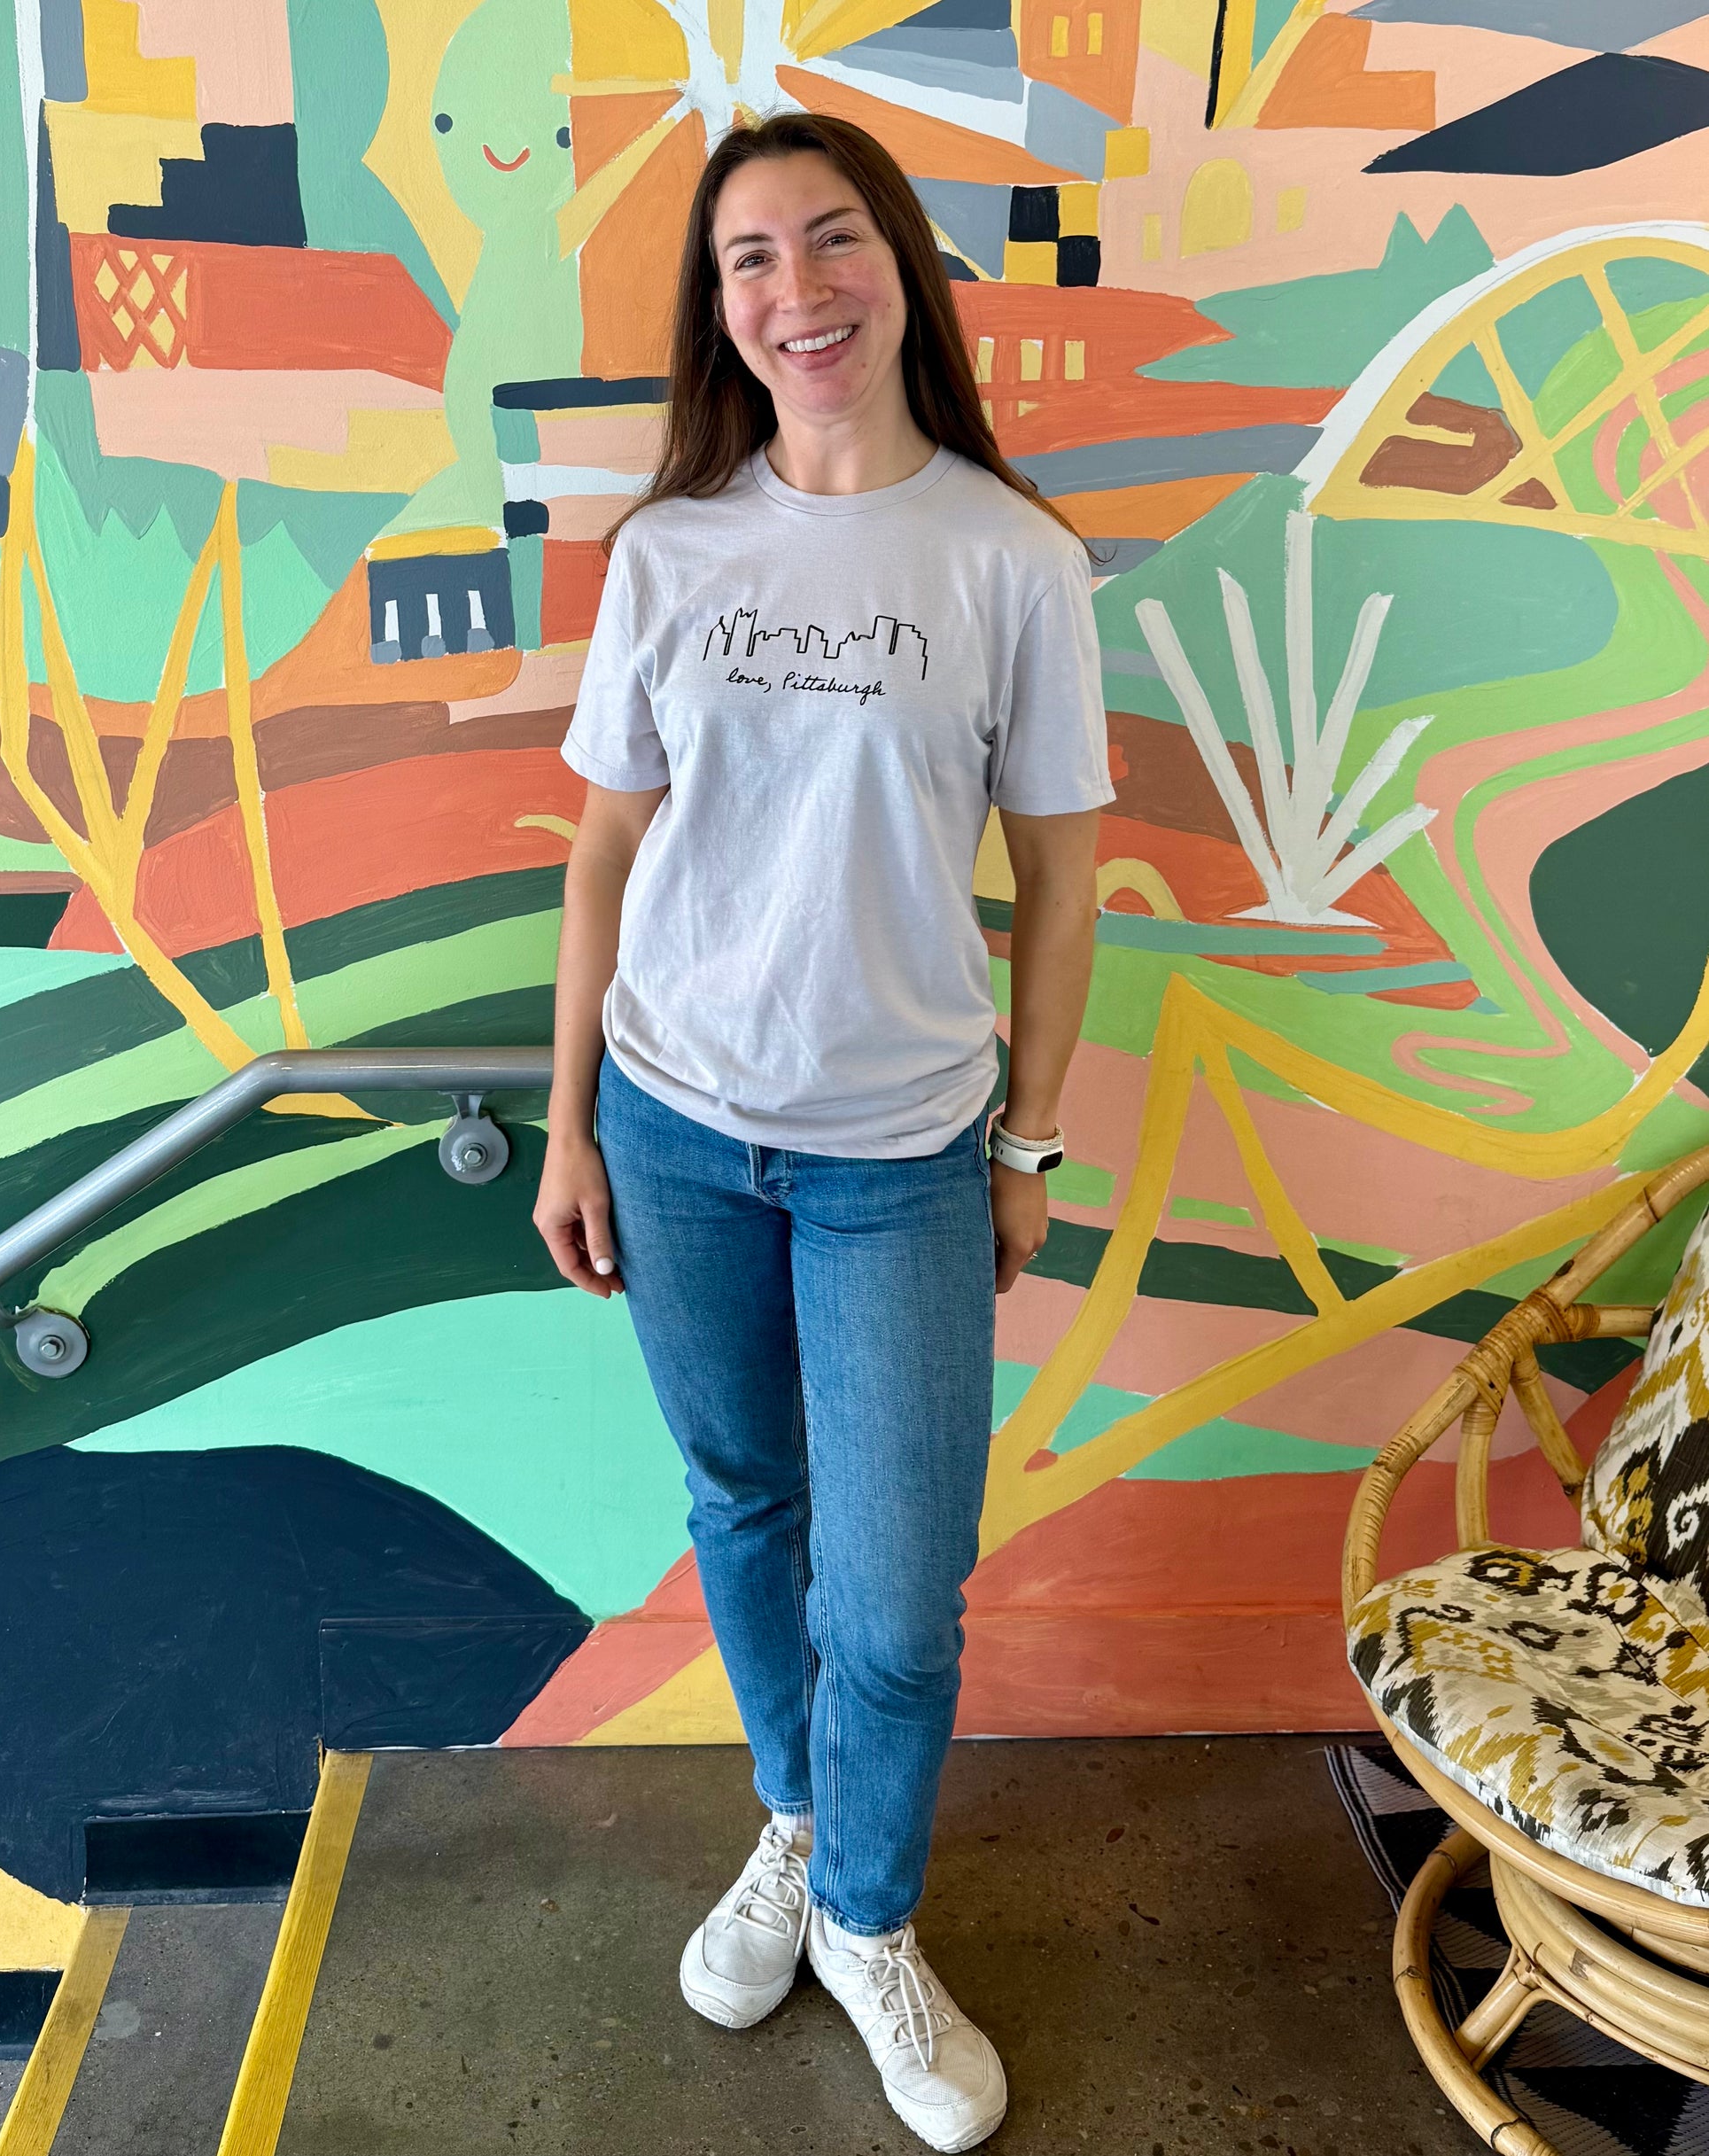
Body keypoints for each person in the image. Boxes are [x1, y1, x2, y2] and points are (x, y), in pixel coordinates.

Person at [532, 109, 1113, 2153]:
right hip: (674, 1126)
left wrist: (1026, 1147)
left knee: (893, 1598)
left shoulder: (1013, 558)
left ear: (902, 268)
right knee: (741, 1506)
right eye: (750, 258)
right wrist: (570, 1125)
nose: (798, 288)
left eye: (832, 238)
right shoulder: (670, 553)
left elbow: (1063, 884)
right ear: (721, 312)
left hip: (898, 1161)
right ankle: (796, 1820)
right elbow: (604, 854)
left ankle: (867, 1916)